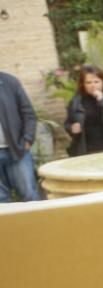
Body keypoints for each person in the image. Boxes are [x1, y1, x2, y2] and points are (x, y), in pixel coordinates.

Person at [0, 71, 42, 202]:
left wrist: (28, 139)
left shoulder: (9, 82)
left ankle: (37, 223)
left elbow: (28, 114)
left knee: (29, 196)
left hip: (17, 150)